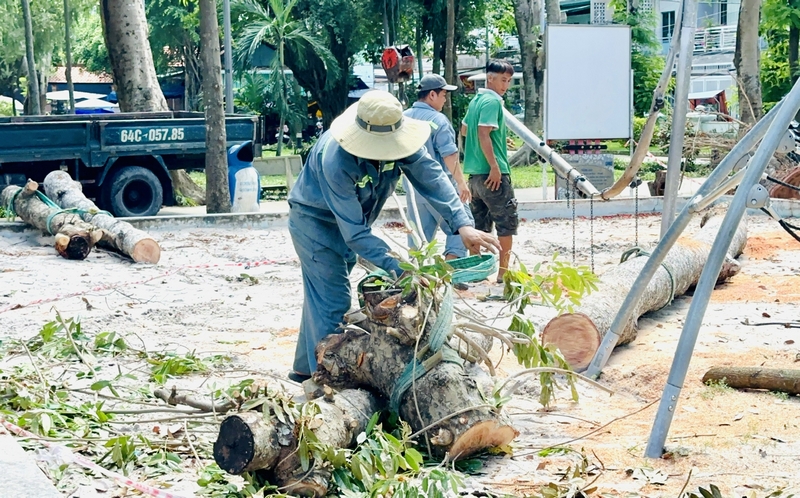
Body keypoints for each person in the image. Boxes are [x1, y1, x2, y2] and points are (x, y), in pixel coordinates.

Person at [287, 90, 500, 382]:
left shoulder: (399, 137)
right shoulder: (335, 160)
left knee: (321, 293)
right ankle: (326, 384)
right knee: (333, 297)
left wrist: (462, 223)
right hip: (315, 222)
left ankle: (303, 367)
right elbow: (355, 234)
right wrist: (404, 268)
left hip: (355, 221)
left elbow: (432, 177)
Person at [402, 74, 473, 260]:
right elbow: (449, 155)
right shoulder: (439, 120)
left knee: (418, 238)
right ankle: (452, 274)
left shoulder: (403, 118)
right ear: (432, 95)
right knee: (461, 226)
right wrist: (461, 184)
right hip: (439, 188)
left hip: (413, 189)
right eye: (443, 94)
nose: (445, 99)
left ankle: (418, 281)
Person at [460, 60, 518, 283]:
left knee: (479, 225)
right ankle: (503, 273)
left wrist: (500, 138)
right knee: (506, 224)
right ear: (490, 78)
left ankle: (476, 270)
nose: (506, 85)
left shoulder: (476, 101)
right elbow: (484, 133)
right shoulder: (493, 101)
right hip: (493, 174)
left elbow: (466, 130)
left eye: (508, 81)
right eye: (503, 80)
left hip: (474, 174)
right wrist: (494, 166)